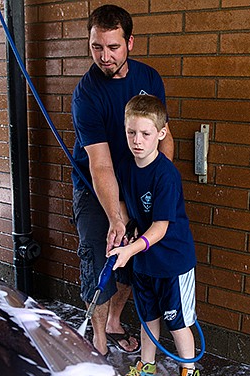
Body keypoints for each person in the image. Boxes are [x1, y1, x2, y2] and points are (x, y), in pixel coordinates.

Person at [70, 5, 174, 357]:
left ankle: (115, 321)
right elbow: (100, 165)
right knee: (100, 258)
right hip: (95, 187)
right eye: (97, 47)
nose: (105, 56)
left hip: (136, 184)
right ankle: (97, 340)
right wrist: (117, 216)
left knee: (131, 261)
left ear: (130, 42)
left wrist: (155, 184)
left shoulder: (149, 79)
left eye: (113, 47)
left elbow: (165, 137)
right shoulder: (87, 95)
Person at [108, 94, 201, 376]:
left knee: (177, 322)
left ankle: (189, 373)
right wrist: (122, 224)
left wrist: (129, 250)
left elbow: (160, 228)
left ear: (161, 134)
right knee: (148, 319)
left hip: (173, 263)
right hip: (145, 263)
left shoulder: (166, 174)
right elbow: (122, 200)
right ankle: (146, 368)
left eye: (146, 134)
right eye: (131, 132)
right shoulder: (125, 166)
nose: (137, 141)